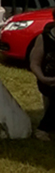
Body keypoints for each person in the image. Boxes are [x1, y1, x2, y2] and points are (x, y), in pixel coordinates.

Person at [29, 8, 55, 140]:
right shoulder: (44, 38)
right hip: (48, 80)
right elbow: (35, 64)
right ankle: (42, 129)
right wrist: (43, 78)